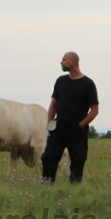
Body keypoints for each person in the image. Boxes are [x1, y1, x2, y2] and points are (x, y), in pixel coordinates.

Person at [41, 52, 99, 183]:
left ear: (72, 62)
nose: (61, 62)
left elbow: (94, 110)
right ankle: (46, 187)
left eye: (64, 60)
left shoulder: (88, 84)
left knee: (78, 160)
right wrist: (49, 123)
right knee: (48, 158)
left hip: (77, 130)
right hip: (59, 127)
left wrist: (81, 125)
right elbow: (54, 103)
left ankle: (75, 190)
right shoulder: (61, 81)